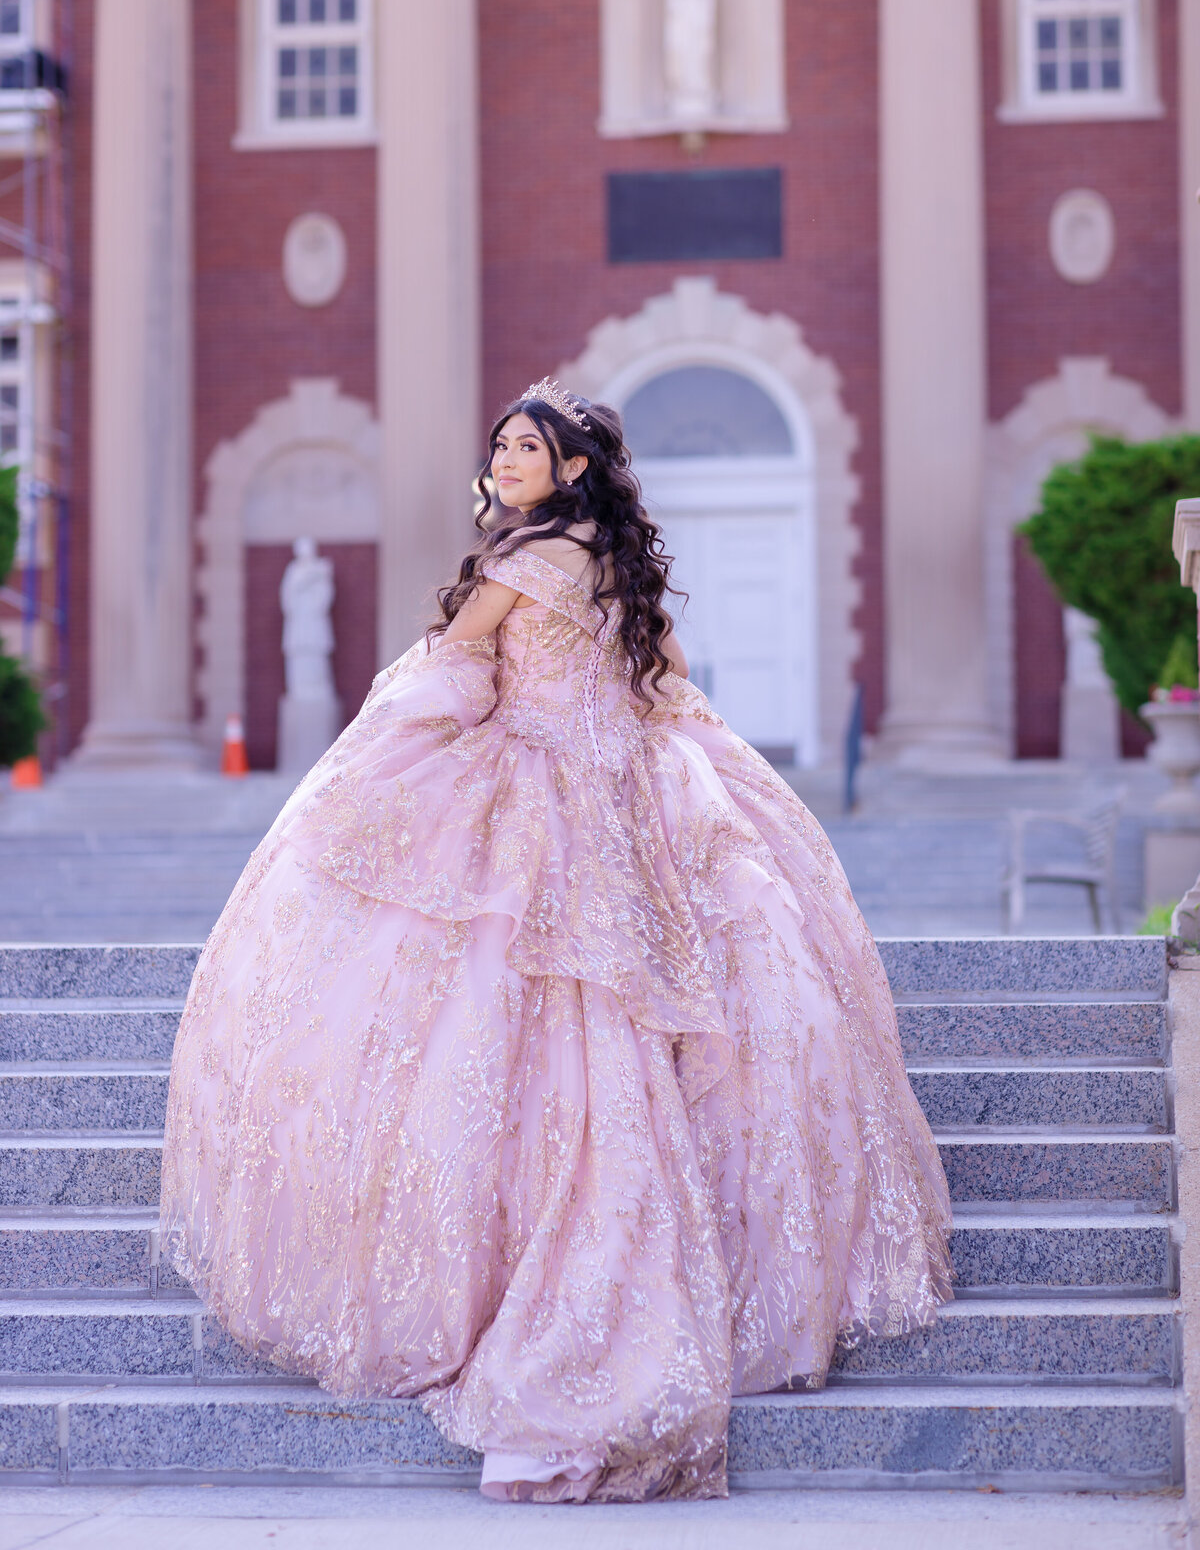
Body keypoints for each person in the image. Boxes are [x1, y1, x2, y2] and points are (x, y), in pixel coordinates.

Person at [160, 378, 952, 1504]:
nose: (511, 455)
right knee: (647, 1017)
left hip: (541, 795)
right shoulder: (613, 562)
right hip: (629, 789)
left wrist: (367, 772)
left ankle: (562, 1317)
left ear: (573, 467)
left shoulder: (524, 561)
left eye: (529, 445)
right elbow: (668, 677)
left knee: (517, 1014)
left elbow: (446, 672)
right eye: (503, 444)